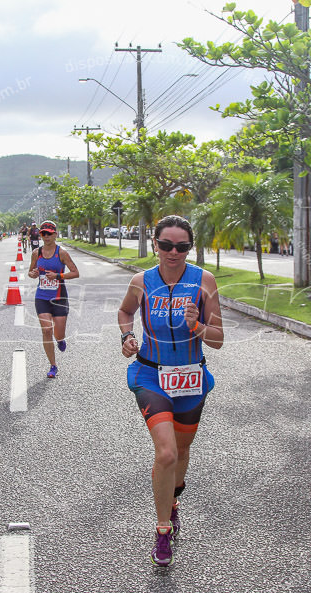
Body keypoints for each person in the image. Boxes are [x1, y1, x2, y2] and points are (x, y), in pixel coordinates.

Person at [117, 215, 224, 567]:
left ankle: (173, 501)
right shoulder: (141, 281)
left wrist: (197, 322)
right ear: (155, 245)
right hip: (151, 374)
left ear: (190, 248)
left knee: (180, 450)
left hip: (191, 379)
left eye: (181, 246)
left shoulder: (203, 281)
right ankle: (163, 530)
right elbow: (124, 312)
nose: (173, 252)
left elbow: (218, 340)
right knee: (165, 453)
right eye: (166, 245)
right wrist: (127, 336)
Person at [27, 220, 79, 378]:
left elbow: (75, 272)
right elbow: (30, 271)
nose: (46, 236)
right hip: (41, 296)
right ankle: (53, 365)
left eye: (49, 233)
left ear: (55, 234)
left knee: (59, 333)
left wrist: (58, 275)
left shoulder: (61, 253)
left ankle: (60, 340)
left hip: (59, 297)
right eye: (43, 233)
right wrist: (33, 274)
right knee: (46, 330)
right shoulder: (37, 253)